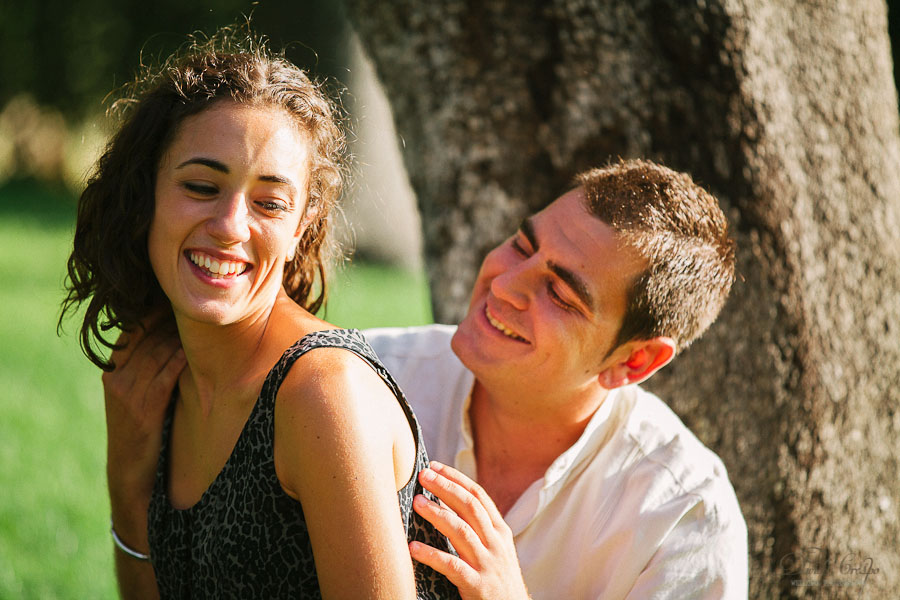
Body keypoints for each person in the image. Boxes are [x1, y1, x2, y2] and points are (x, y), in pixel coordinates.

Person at [103, 159, 749, 598]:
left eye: (561, 292)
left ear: (632, 363)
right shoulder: (353, 384)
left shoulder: (685, 516)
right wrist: (131, 473)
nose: (507, 282)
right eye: (524, 246)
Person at [60, 30, 457, 599]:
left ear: (301, 227)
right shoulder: (158, 373)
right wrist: (128, 482)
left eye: (269, 203)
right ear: (144, 193)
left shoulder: (323, 393)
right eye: (201, 186)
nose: (229, 226)